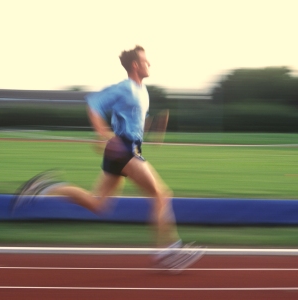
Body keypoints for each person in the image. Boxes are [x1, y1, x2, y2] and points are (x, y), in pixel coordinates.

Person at [13, 45, 204, 272]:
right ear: (135, 65)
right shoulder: (125, 88)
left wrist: (153, 127)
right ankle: (169, 250)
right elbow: (94, 103)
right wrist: (103, 134)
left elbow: (135, 122)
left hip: (128, 149)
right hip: (123, 149)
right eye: (145, 61)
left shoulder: (142, 91)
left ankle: (47, 187)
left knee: (98, 204)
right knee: (162, 195)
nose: (149, 64)